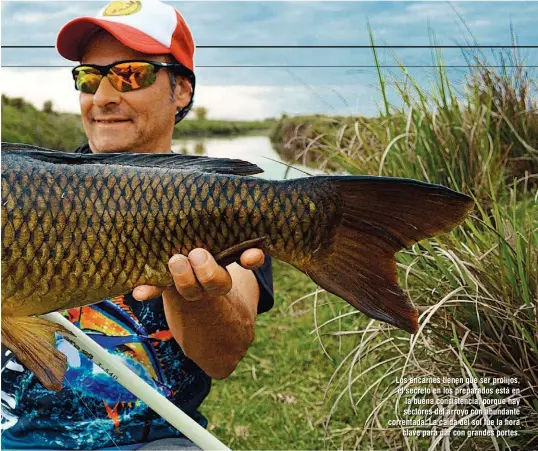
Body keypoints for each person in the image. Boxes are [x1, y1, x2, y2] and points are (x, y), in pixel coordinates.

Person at [0, 0, 274, 449]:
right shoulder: (24, 184)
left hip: (154, 438)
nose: (103, 96)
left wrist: (194, 293)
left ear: (181, 90)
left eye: (130, 74)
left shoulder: (221, 200)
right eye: (89, 78)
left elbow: (222, 357)